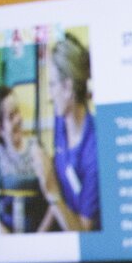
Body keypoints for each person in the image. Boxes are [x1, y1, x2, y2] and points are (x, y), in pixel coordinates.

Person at [33, 32, 100, 232]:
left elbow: (83, 232)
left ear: (68, 88)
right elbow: (59, 192)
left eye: (52, 85)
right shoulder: (60, 122)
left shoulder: (94, 152)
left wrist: (51, 192)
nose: (50, 95)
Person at [0, 84, 43, 232]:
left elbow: (52, 200)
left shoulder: (36, 148)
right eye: (11, 116)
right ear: (0, 128)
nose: (19, 119)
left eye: (18, 111)